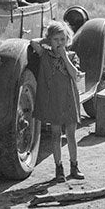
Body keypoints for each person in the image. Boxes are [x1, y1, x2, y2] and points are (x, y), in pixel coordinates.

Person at [31, 21, 84, 181]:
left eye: (62, 39)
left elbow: (75, 75)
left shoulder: (72, 56)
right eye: (56, 40)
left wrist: (64, 56)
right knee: (55, 135)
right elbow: (33, 42)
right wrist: (47, 41)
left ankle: (74, 166)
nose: (59, 43)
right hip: (54, 100)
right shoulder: (45, 54)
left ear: (67, 40)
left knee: (71, 135)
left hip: (69, 100)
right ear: (50, 40)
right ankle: (58, 168)